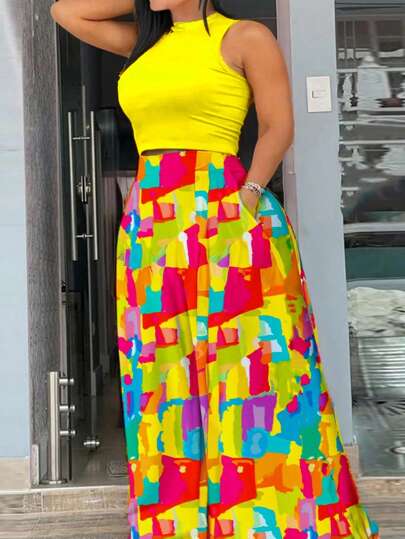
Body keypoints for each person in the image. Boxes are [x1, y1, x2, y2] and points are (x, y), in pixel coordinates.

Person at [50, 1, 380, 538]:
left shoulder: (245, 37)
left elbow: (278, 127)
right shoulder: (144, 43)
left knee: (254, 373)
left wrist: (246, 197)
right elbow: (66, 11)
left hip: (225, 214)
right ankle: (178, 522)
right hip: (153, 225)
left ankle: (272, 520)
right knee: (161, 376)